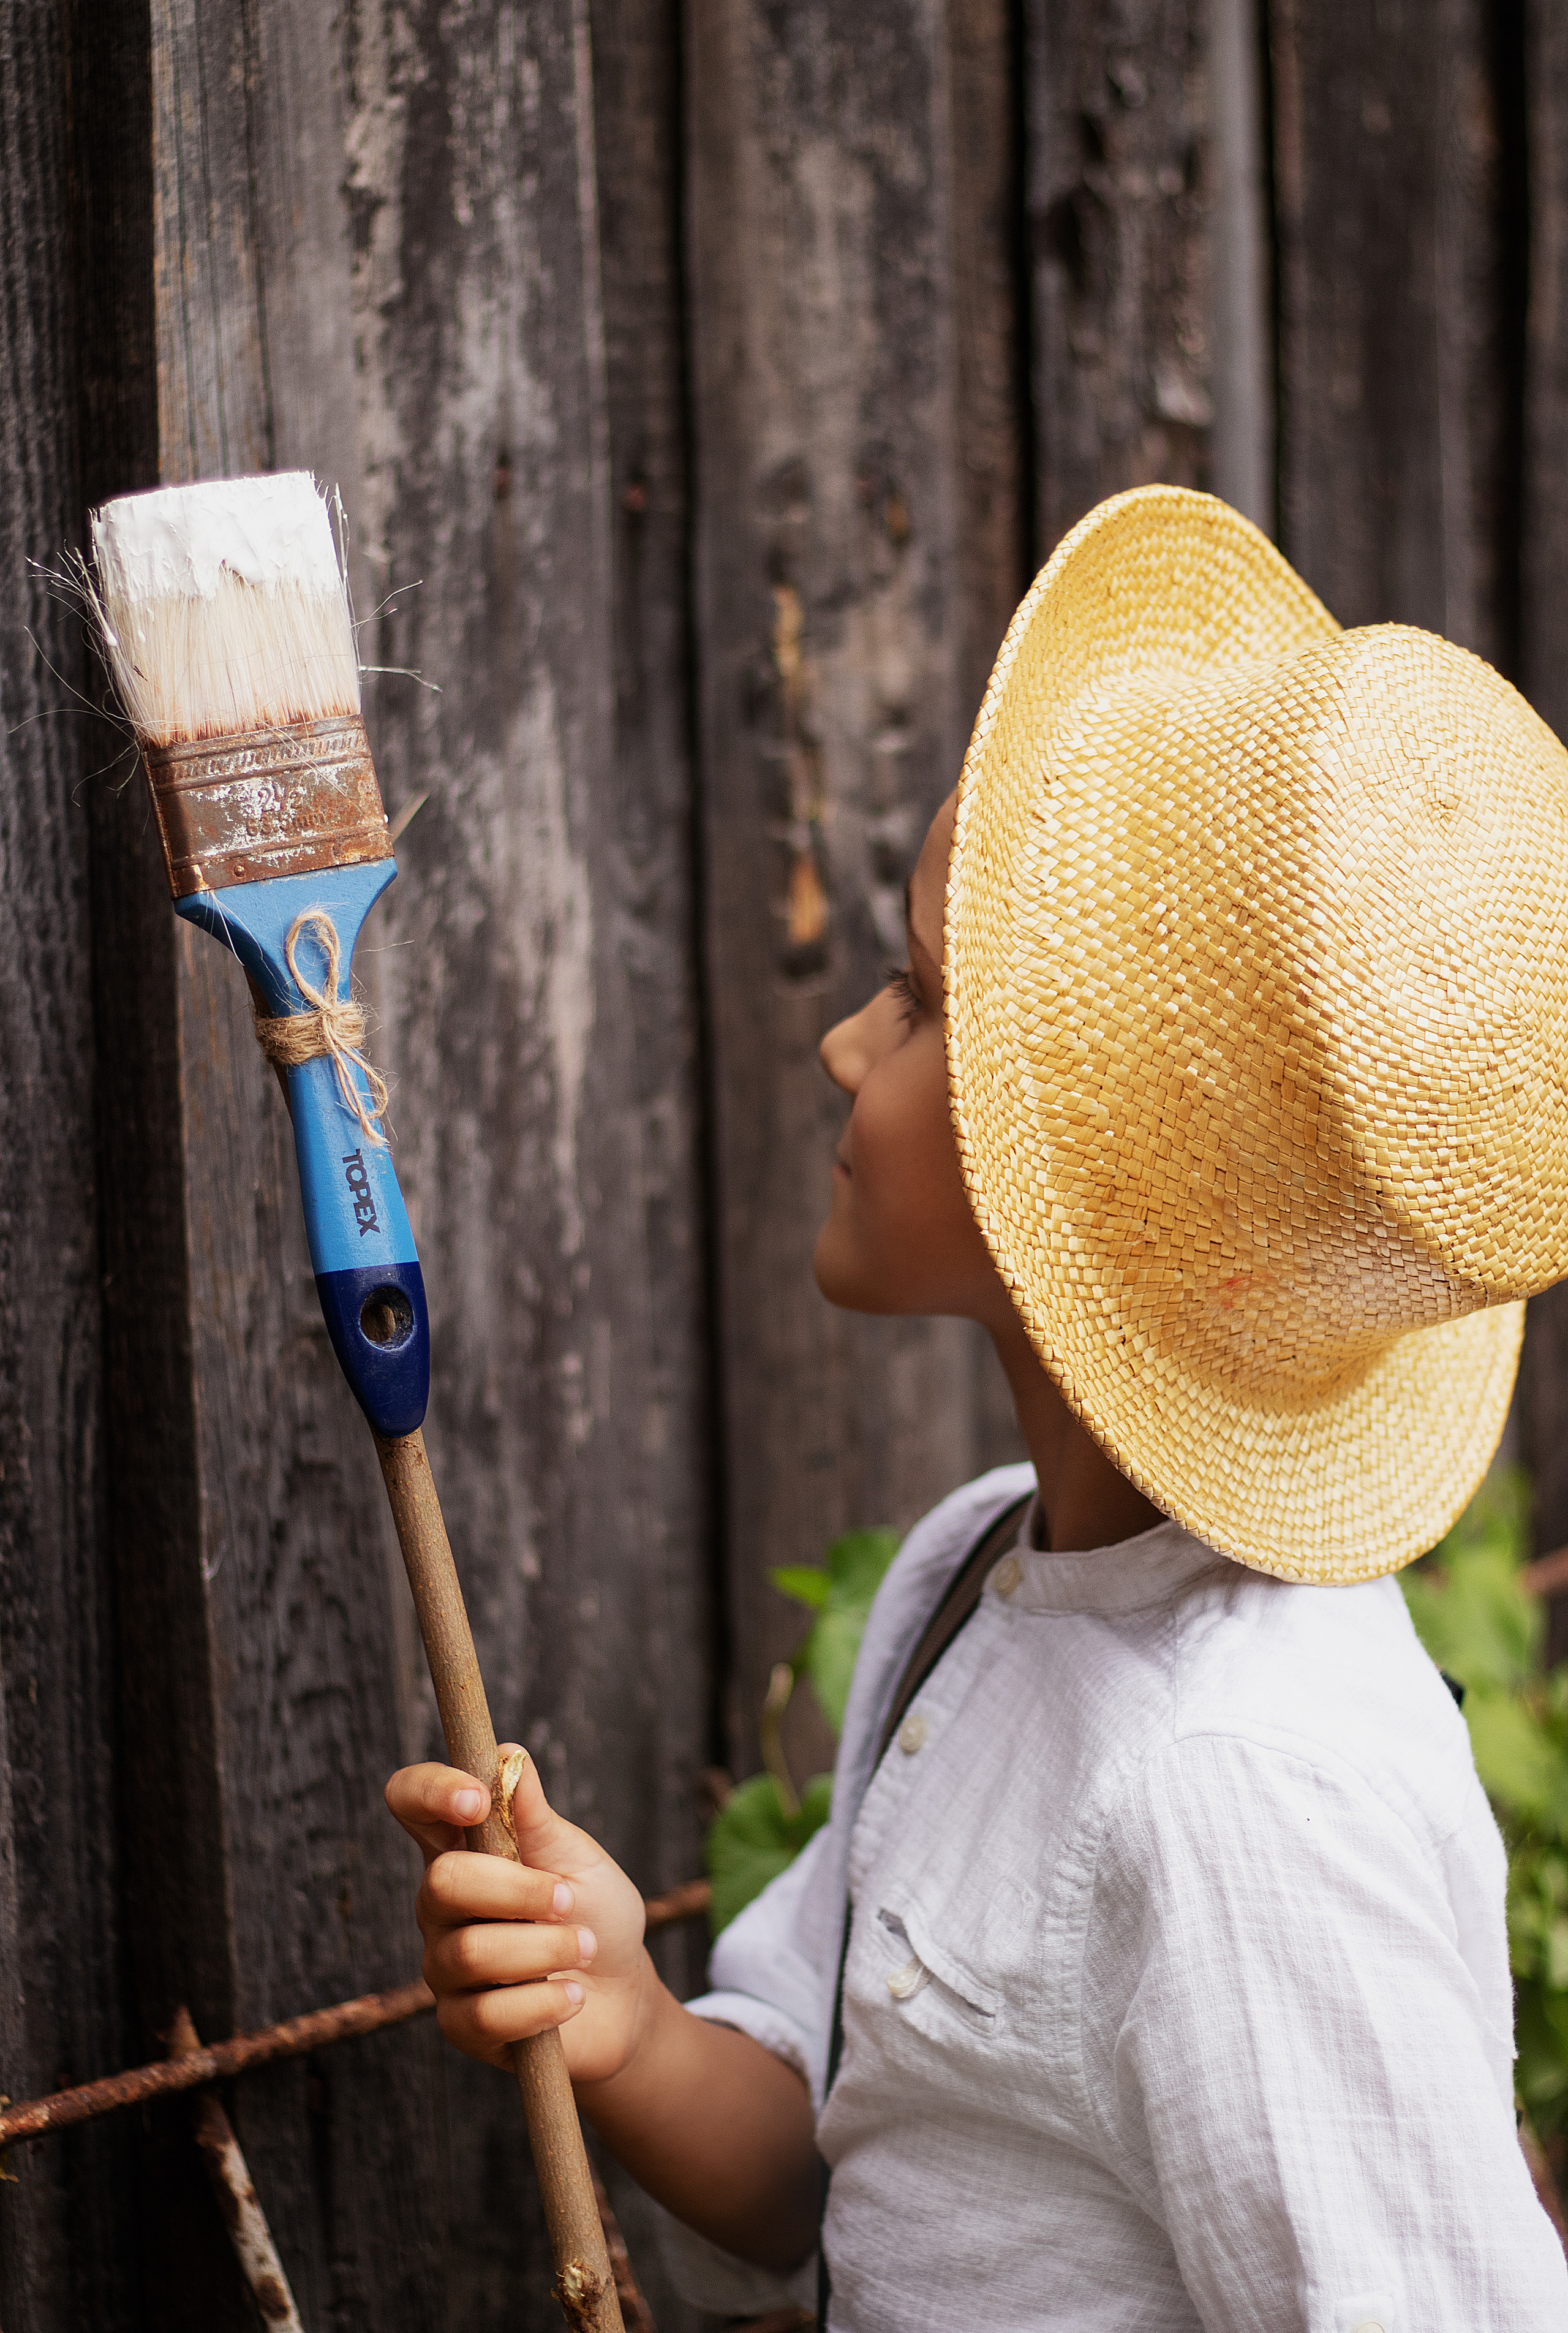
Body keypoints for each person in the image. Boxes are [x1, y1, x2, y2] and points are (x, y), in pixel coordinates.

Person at [385, 487, 1568, 2328]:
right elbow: (830, 2183)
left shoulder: (1237, 1790)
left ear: (1091, 1186)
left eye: (921, 1002)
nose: (850, 1041)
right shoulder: (972, 1574)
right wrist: (615, 2010)